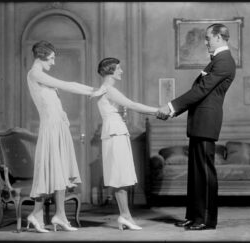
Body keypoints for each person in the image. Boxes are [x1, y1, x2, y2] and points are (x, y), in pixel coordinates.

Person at [157, 23, 236, 230]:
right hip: (200, 122)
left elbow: (200, 90)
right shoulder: (217, 61)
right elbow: (200, 93)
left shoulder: (224, 61)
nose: (206, 42)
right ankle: (193, 216)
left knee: (204, 173)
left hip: (207, 123)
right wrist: (173, 111)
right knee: (195, 174)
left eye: (208, 38)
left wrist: (171, 106)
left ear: (219, 37)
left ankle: (206, 220)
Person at [26, 40, 105, 233]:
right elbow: (67, 85)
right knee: (51, 172)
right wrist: (94, 91)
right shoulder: (35, 73)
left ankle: (59, 215)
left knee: (59, 173)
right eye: (51, 58)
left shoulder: (43, 76)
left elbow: (55, 103)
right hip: (50, 129)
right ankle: (39, 214)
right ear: (41, 56)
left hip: (59, 128)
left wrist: (63, 115)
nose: (53, 62)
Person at [96, 57, 158, 230]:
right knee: (119, 176)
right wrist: (158, 111)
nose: (121, 71)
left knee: (120, 176)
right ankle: (125, 216)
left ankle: (125, 216)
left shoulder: (106, 89)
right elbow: (132, 105)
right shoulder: (108, 89)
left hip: (116, 132)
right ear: (110, 70)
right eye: (119, 68)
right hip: (115, 133)